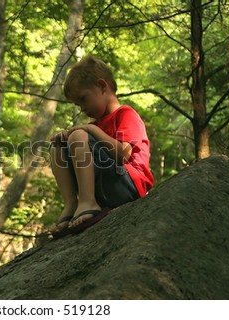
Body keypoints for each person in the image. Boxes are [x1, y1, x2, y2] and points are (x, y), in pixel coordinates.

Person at [49, 55, 154, 239]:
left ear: (102, 86)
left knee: (79, 135)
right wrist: (67, 141)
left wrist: (88, 129)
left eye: (83, 99)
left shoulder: (126, 114)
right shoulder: (95, 125)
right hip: (106, 186)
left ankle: (88, 202)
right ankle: (72, 204)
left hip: (128, 185)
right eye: (77, 104)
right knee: (58, 146)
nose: (82, 108)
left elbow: (123, 154)